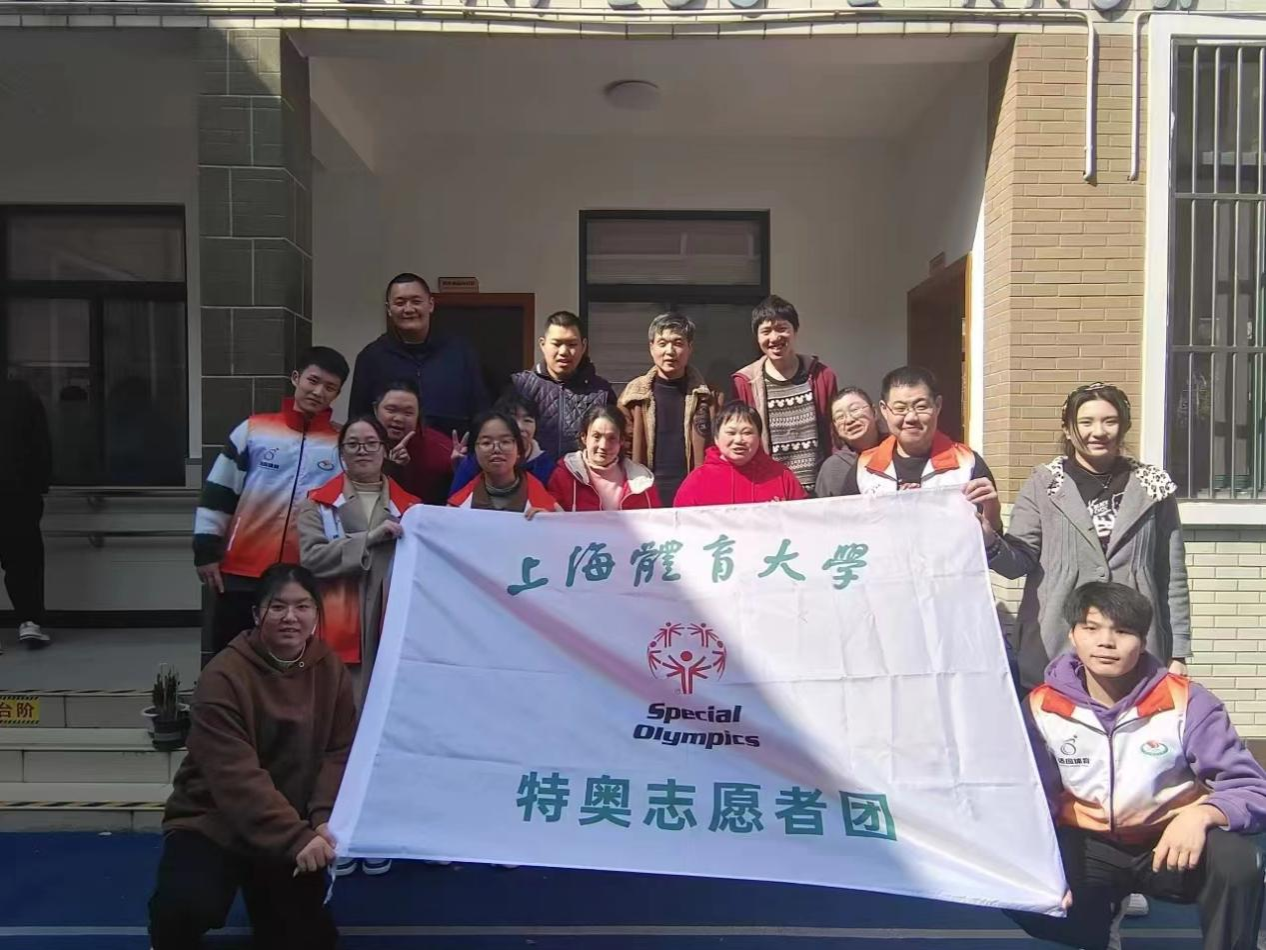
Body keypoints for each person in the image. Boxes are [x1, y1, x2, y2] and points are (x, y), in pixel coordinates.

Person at [1008, 582, 1266, 950]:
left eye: (1123, 631)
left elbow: (1252, 788)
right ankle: (1095, 930)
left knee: (1239, 861)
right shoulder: (1042, 706)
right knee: (1014, 872)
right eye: (1091, 628)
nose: (1106, 642)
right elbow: (1033, 799)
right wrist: (1038, 867)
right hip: (1088, 845)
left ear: (1143, 642)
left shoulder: (1187, 701)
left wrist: (1202, 815)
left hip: (1169, 844)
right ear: (1072, 635)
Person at [148, 563, 355, 950]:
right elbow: (235, 777)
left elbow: (338, 750)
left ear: (316, 614)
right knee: (185, 907)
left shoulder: (330, 669)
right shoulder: (223, 676)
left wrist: (323, 817)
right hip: (215, 820)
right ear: (258, 614)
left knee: (308, 938)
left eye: (302, 606)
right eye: (278, 607)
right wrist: (297, 838)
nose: (290, 617)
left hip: (289, 821)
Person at [989, 382, 1192, 692]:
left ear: (1124, 426)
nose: (1098, 431)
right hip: (1055, 642)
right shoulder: (1044, 484)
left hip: (1133, 646)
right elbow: (1017, 562)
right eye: (1086, 422)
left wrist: (1178, 651)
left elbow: (1171, 574)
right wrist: (989, 535)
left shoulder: (1152, 487)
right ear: (1068, 430)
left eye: (1110, 421)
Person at [193, 347, 349, 657]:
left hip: (305, 574)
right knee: (233, 657)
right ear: (296, 378)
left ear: (337, 394)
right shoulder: (253, 430)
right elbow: (219, 490)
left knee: (294, 661)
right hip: (242, 568)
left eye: (330, 387)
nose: (319, 392)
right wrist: (205, 550)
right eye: (313, 381)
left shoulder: (342, 443)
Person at [838, 366, 1002, 540]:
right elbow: (845, 532)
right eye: (900, 408)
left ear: (937, 406)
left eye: (921, 406)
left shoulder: (967, 464)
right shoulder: (865, 468)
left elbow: (993, 542)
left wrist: (993, 514)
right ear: (884, 410)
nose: (911, 418)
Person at [348, 273, 489, 436]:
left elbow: (481, 412)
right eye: (400, 303)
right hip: (390, 451)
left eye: (416, 301)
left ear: (431, 304)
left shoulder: (461, 353)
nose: (408, 309)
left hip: (452, 449)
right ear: (388, 309)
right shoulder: (371, 357)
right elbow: (358, 419)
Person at [731, 295, 839, 495]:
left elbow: (834, 435)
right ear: (757, 337)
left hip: (818, 492)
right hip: (771, 492)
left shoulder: (822, 376)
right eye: (766, 331)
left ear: (795, 330)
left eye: (782, 328)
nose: (774, 338)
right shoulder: (745, 383)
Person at [617, 312, 720, 506]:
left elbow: (718, 449)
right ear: (651, 347)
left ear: (690, 348)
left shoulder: (708, 397)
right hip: (645, 495)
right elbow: (622, 449)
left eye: (678, 343)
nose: (670, 351)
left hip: (694, 495)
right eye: (662, 343)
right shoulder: (633, 397)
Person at [508, 310, 617, 459]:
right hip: (531, 472)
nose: (564, 351)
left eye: (572, 344)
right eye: (556, 344)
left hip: (581, 473)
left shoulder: (601, 391)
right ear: (543, 344)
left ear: (583, 346)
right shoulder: (519, 386)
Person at [0, 377, 52, 650]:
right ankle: (29, 621)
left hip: (18, 488)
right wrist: (40, 484)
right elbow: (40, 443)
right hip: (18, 491)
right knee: (23, 559)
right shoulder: (22, 395)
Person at [674, 402, 809, 507]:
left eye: (747, 433)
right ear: (716, 438)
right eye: (731, 433)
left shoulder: (782, 476)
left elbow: (802, 520)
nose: (739, 440)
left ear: (759, 437)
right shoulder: (697, 481)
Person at [547, 405, 661, 511]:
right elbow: (550, 515)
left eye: (611, 438)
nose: (603, 446)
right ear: (584, 437)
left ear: (621, 440)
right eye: (596, 436)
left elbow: (654, 520)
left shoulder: (641, 481)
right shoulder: (564, 476)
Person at [448, 409, 560, 513]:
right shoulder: (456, 508)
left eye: (505, 442)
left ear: (519, 450)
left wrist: (547, 522)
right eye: (486, 443)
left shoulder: (549, 509)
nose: (496, 449)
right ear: (475, 451)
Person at [451, 393, 555, 496]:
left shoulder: (546, 465)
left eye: (527, 420)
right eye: (512, 418)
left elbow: (551, 504)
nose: (520, 427)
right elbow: (455, 501)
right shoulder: (477, 459)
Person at [372, 379, 455, 506]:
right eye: (391, 410)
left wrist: (460, 468)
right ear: (375, 409)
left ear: (418, 415)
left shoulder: (441, 449)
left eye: (408, 413)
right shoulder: (361, 441)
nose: (398, 418)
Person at [815, 387, 884, 498]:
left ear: (874, 412)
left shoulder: (900, 450)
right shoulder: (833, 468)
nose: (849, 420)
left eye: (855, 410)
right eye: (840, 417)